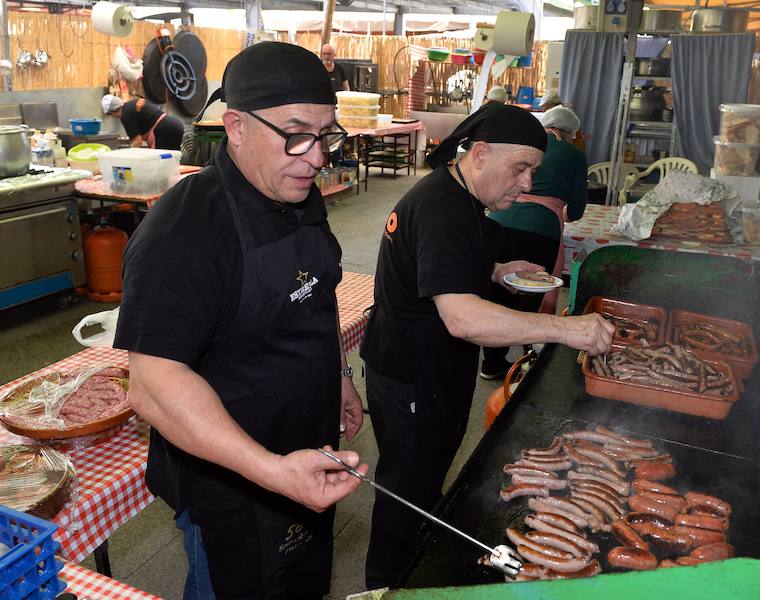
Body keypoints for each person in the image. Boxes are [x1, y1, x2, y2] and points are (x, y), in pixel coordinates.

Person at [113, 42, 365, 600]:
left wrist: (338, 374)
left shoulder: (295, 187)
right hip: (234, 481)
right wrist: (273, 472)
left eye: (327, 135)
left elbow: (316, 293)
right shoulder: (183, 232)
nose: (318, 157)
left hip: (306, 456)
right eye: (297, 133)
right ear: (236, 126)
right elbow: (153, 388)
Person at [360, 103, 614, 590]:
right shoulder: (440, 209)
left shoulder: (463, 196)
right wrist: (566, 329)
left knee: (425, 483)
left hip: (435, 369)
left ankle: (415, 570)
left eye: (533, 172)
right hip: (413, 373)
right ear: (479, 154)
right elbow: (463, 317)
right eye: (520, 169)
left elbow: (446, 268)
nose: (527, 184)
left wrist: (500, 269)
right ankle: (385, 586)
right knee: (404, 495)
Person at [481, 105, 589, 378]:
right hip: (541, 228)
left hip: (499, 219)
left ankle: (490, 363)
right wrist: (559, 207)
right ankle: (530, 360)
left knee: (498, 290)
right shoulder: (574, 155)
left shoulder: (524, 145)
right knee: (531, 292)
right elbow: (576, 209)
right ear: (569, 133)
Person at [100, 95, 185, 150]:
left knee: (160, 165)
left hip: (163, 131)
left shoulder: (126, 115)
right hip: (175, 125)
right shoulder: (133, 103)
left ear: (112, 112)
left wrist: (127, 159)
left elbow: (137, 142)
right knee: (172, 163)